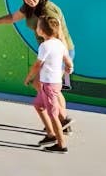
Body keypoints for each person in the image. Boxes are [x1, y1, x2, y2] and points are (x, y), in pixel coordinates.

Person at [0, 0, 74, 132]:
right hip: (50, 50)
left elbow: (61, 36)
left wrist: (66, 59)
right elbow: (11, 18)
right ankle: (61, 121)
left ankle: (61, 121)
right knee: (49, 88)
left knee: (45, 86)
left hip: (60, 51)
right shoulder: (29, 8)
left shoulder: (48, 11)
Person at [25, 15, 72, 153]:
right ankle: (51, 135)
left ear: (42, 30)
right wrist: (70, 67)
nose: (37, 28)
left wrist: (29, 77)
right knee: (38, 105)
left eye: (38, 26)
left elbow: (37, 65)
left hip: (48, 85)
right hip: (55, 83)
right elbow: (67, 59)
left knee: (53, 115)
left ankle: (61, 145)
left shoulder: (44, 46)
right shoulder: (59, 44)